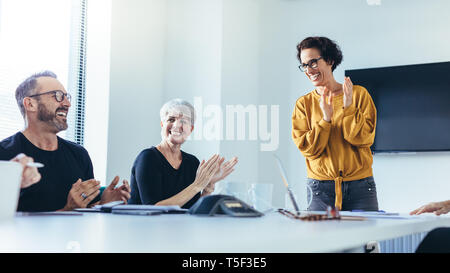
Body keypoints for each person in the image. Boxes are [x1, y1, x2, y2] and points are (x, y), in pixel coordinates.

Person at [0, 71, 130, 212]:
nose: (67, 104)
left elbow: (84, 212)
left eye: (67, 97)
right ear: (30, 104)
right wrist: (67, 209)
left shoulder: (79, 154)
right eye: (57, 96)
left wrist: (103, 204)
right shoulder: (5, 156)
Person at [292, 36, 378, 211]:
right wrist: (326, 119)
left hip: (361, 187)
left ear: (330, 60)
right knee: (321, 239)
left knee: (361, 238)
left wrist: (348, 108)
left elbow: (363, 139)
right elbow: (308, 149)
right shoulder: (303, 104)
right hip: (320, 189)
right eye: (304, 65)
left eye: (313, 62)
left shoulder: (359, 95)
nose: (309, 70)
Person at [129, 99, 238, 208]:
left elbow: (192, 210)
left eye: (183, 121)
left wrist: (207, 187)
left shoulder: (192, 163)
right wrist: (197, 185)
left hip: (181, 225)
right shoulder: (148, 158)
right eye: (171, 119)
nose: (176, 125)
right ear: (162, 125)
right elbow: (154, 208)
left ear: (190, 129)